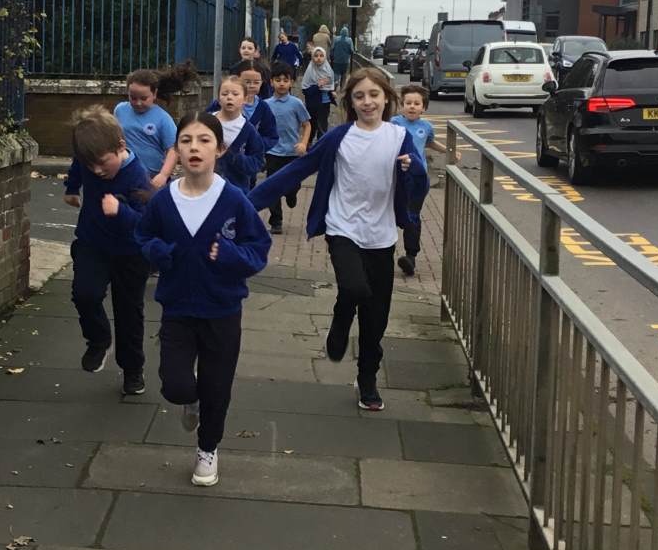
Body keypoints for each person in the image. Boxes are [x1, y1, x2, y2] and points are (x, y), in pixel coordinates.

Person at [251, 65, 428, 412]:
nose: (367, 102)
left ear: (386, 99)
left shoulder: (398, 137)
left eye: (374, 95)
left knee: (376, 317)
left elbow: (417, 189)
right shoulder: (339, 137)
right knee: (355, 287)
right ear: (350, 102)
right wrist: (244, 205)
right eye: (359, 96)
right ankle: (341, 320)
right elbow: (296, 170)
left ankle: (367, 378)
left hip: (381, 236)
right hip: (342, 228)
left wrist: (416, 170)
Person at [120, 114, 272, 486]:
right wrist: (160, 252)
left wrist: (231, 255)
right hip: (178, 308)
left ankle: (208, 449)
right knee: (176, 385)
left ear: (219, 149)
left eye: (204, 140)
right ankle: (191, 400)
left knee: (217, 387)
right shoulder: (163, 200)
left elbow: (258, 248)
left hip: (223, 310)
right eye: (186, 140)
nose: (194, 148)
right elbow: (143, 236)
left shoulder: (233, 200)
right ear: (177, 150)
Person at [62, 110, 155, 395]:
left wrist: (121, 211)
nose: (97, 171)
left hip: (130, 253)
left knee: (129, 313)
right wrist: (72, 187)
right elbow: (79, 164)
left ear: (120, 146)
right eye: (90, 165)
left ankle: (132, 369)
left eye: (103, 163)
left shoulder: (137, 177)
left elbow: (146, 224)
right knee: (84, 294)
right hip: (93, 243)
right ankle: (99, 340)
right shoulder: (89, 160)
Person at [391, 83, 441, 277]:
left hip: (418, 179)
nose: (412, 106)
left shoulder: (426, 127)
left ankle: (410, 257)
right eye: (408, 103)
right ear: (401, 105)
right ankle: (382, 251)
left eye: (417, 103)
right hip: (396, 176)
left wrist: (449, 150)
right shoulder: (394, 123)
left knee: (413, 215)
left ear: (424, 107)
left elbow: (429, 142)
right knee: (390, 212)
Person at [260, 61, 311, 235]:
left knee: (292, 184)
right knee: (272, 187)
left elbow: (307, 125)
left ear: (291, 82)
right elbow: (260, 127)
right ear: (271, 82)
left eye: (285, 80)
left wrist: (303, 143)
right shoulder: (265, 105)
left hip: (292, 152)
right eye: (278, 80)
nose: (281, 83)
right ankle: (276, 221)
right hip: (272, 153)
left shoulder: (296, 103)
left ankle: (291, 194)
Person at [115, 68, 178, 189]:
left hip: (151, 179)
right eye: (133, 98)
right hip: (123, 174)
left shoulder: (163, 118)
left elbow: (173, 149)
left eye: (144, 98)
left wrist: (163, 175)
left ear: (154, 94)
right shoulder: (120, 110)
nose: (138, 103)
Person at [211, 74, 267, 187]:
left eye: (235, 94)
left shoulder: (249, 130)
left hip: (237, 188)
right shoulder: (206, 123)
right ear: (218, 99)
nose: (229, 97)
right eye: (224, 94)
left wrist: (234, 156)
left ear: (245, 99)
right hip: (207, 187)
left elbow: (257, 162)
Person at [300, 44, 335, 143]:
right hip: (313, 104)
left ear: (325, 57)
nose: (319, 58)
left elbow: (330, 83)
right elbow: (305, 90)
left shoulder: (328, 69)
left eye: (321, 56)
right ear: (312, 57)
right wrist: (317, 86)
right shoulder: (310, 70)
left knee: (323, 126)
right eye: (316, 56)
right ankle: (308, 144)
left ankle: (321, 145)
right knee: (312, 124)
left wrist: (332, 92)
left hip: (325, 102)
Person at [330, 26, 355, 118]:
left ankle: (335, 86)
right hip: (345, 61)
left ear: (340, 32)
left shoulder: (336, 39)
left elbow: (332, 48)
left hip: (337, 60)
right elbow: (352, 50)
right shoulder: (349, 40)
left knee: (336, 74)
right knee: (344, 75)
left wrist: (332, 56)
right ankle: (342, 89)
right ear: (347, 33)